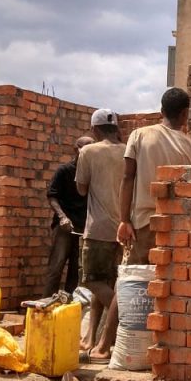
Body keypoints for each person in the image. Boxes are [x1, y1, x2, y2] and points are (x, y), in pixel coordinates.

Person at [116, 87, 191, 263]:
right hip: (177, 227)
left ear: (162, 111)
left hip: (144, 224)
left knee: (141, 283)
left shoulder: (139, 135)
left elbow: (128, 177)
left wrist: (124, 220)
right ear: (185, 114)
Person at [75, 109, 125, 360]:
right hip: (123, 230)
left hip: (98, 229)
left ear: (94, 130)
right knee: (104, 282)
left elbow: (82, 189)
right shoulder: (127, 151)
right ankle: (91, 341)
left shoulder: (88, 152)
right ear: (116, 128)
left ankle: (124, 317)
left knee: (91, 281)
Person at [42, 136, 92, 297]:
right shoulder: (64, 171)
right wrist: (62, 217)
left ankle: (69, 307)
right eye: (84, 150)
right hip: (65, 226)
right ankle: (45, 306)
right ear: (75, 149)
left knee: (76, 272)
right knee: (56, 268)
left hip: (83, 228)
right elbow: (52, 196)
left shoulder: (92, 173)